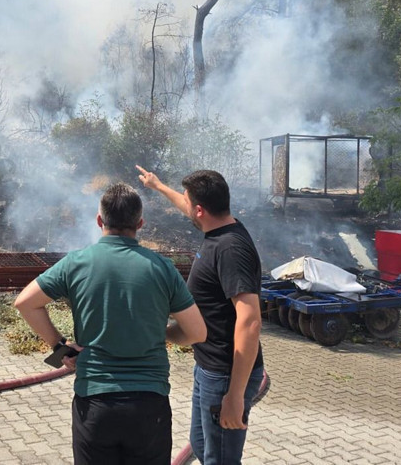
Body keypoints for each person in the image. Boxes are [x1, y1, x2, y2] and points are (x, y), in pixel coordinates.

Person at [14, 182, 207, 465]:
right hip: (148, 405)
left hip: (95, 403)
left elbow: (25, 303)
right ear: (140, 223)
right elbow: (197, 332)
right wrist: (163, 333)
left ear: (99, 220)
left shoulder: (75, 263)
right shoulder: (162, 267)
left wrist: (60, 346)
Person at [137, 166, 264, 465]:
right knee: (201, 445)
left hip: (224, 375)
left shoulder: (229, 248)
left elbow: (250, 322)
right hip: (209, 368)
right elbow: (189, 206)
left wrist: (234, 396)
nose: (186, 208)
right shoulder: (219, 226)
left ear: (200, 210)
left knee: (219, 459)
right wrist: (158, 186)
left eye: (187, 202)